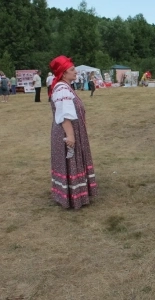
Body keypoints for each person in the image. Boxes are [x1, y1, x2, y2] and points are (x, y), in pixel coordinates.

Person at [49, 55, 97, 209]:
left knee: (73, 162)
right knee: (71, 161)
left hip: (72, 131)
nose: (75, 72)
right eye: (72, 70)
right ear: (63, 73)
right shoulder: (62, 88)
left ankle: (76, 195)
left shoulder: (65, 87)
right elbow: (64, 116)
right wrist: (70, 136)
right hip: (66, 132)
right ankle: (72, 197)